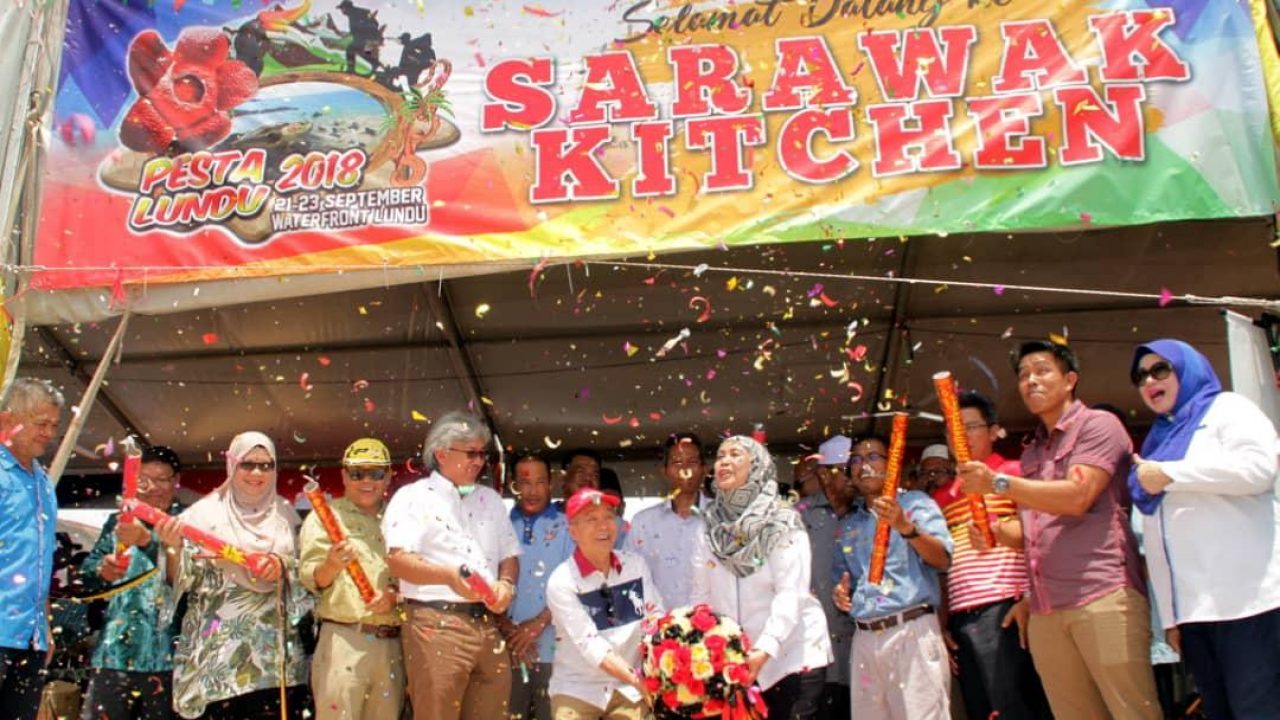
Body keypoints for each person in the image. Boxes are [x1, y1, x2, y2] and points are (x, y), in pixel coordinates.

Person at [957, 340, 1160, 719]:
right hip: (1045, 609)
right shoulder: (1033, 451)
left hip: (1101, 594)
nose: (1031, 381)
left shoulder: (1098, 425)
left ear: (1070, 380)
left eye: (1042, 370)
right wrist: (996, 534)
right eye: (1023, 375)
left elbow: (1078, 496)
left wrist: (998, 483)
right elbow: (1036, 528)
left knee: (1132, 712)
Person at [1128, 339, 1280, 717]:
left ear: (1188, 370)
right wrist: (1172, 618)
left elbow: (1258, 470)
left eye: (1160, 369)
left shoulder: (1229, 408)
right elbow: (1158, 538)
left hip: (1251, 604)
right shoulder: (1159, 439)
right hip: (1196, 615)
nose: (1149, 381)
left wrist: (1171, 474)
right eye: (1140, 376)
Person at [156, 432, 311, 719]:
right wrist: (173, 547)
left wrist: (282, 566)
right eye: (247, 464)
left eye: (266, 465)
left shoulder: (286, 517)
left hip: (276, 661)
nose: (257, 473)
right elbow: (179, 581)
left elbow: (309, 575)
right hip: (216, 657)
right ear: (232, 465)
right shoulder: (200, 517)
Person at [383, 411, 518, 720]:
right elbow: (397, 561)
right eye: (471, 453)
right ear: (441, 454)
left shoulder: (491, 499)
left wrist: (507, 584)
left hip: (488, 625)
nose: (479, 461)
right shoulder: (413, 497)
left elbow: (509, 555)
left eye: (483, 454)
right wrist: (448, 576)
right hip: (435, 624)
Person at [691, 435, 831, 719]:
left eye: (735, 454)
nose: (724, 461)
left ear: (757, 466)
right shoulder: (708, 526)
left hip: (792, 656)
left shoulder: (783, 520)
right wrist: (696, 641)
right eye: (720, 456)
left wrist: (765, 648)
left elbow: (790, 592)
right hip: (738, 661)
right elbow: (701, 595)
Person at [933, 393, 1051, 720]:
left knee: (1017, 708)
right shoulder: (942, 497)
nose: (961, 437)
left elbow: (1044, 536)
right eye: (953, 429)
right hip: (961, 618)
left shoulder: (1015, 473)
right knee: (981, 710)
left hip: (1007, 610)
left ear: (994, 430)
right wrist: (944, 625)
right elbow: (942, 569)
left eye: (970, 427)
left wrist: (1028, 597)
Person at [832, 435, 953, 719]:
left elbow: (943, 559)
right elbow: (845, 581)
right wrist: (841, 594)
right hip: (864, 637)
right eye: (856, 460)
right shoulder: (849, 525)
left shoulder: (915, 503)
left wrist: (905, 526)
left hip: (910, 629)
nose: (864, 465)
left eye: (873, 457)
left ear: (892, 464)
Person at [299, 438, 403, 720]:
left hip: (394, 644)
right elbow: (311, 579)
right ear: (344, 476)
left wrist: (394, 597)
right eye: (357, 473)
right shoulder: (325, 517)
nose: (366, 481)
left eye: (376, 473)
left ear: (389, 476)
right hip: (344, 640)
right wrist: (331, 565)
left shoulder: (402, 518)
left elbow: (418, 580)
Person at [79, 446, 185, 720]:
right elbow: (87, 573)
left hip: (170, 660)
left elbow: (188, 580)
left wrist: (148, 542)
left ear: (176, 481)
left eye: (162, 479)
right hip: (113, 655)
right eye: (144, 480)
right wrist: (102, 571)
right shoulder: (118, 521)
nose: (153, 488)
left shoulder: (187, 523)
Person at [545, 488, 662, 719]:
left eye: (609, 516)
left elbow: (656, 618)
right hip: (577, 689)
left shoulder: (635, 566)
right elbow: (591, 645)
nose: (603, 526)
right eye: (592, 519)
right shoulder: (562, 580)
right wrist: (637, 680)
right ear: (573, 532)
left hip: (629, 691)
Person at [0, 378, 65, 719]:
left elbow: (40, 561)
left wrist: (45, 624)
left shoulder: (42, 481)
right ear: (7, 419)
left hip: (31, 637)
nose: (49, 433)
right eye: (41, 424)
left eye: (54, 425)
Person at [504, 454, 574, 720]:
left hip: (555, 655)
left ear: (551, 483)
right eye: (525, 482)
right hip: (509, 653)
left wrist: (536, 625)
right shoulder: (499, 526)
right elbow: (486, 583)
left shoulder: (568, 526)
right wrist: (510, 632)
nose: (532, 491)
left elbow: (577, 586)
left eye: (540, 482)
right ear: (513, 485)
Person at [796, 435, 856, 719]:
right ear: (823, 474)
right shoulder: (799, 516)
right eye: (844, 470)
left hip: (863, 652)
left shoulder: (870, 512)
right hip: (817, 652)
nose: (852, 476)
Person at [624, 433, 708, 608]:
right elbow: (628, 577)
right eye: (677, 463)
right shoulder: (643, 523)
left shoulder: (722, 519)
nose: (685, 469)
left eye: (692, 462)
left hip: (715, 622)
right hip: (659, 622)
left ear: (704, 469)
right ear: (664, 471)